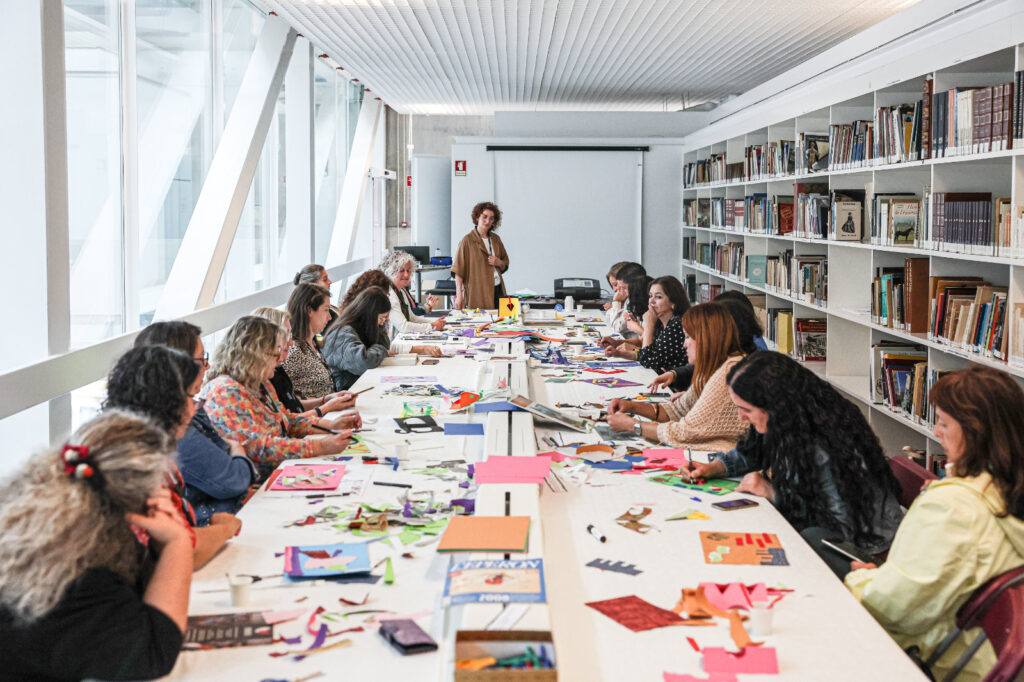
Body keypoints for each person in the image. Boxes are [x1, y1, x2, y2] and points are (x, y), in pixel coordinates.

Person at [845, 367, 1024, 681]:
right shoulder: (1006, 489)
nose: (936, 432)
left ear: (975, 431)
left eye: (942, 422)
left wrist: (858, 581)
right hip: (974, 655)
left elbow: (894, 606)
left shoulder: (954, 507)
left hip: (926, 659)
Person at [0, 411, 192, 681]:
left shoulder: (34, 523)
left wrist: (158, 548)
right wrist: (177, 543)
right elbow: (153, 653)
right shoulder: (80, 571)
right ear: (139, 497)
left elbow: (135, 607)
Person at [686, 351, 903, 574]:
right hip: (825, 531)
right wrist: (716, 467)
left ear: (772, 406)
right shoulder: (789, 418)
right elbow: (753, 450)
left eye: (746, 410)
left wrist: (774, 493)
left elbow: (838, 528)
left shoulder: (823, 446)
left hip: (859, 551)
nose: (741, 417)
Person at [104, 345, 243, 564]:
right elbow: (187, 548)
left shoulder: (139, 448)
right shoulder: (135, 466)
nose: (192, 409)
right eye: (189, 397)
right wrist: (224, 529)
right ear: (166, 401)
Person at [133, 321, 256, 526]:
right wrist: (237, 447)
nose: (207, 366)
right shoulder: (172, 427)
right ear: (179, 366)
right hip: (210, 530)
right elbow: (234, 480)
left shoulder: (186, 410)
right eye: (201, 359)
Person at [201, 316, 353, 479]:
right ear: (256, 355)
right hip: (256, 483)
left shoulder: (261, 383)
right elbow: (257, 448)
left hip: (280, 470)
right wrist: (319, 446)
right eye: (276, 353)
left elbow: (285, 421)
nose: (281, 358)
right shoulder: (225, 392)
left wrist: (330, 425)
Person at [606, 303, 747, 450]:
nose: (684, 345)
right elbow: (675, 411)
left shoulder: (728, 373)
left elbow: (686, 433)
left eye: (688, 337)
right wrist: (630, 406)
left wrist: (633, 426)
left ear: (705, 338)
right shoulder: (711, 369)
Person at [253, 306, 361, 431]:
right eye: (286, 334)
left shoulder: (276, 371)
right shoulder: (274, 370)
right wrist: (327, 408)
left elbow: (293, 407)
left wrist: (326, 400)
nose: (291, 342)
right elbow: (286, 425)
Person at [323, 286, 442, 390]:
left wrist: (422, 349)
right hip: (350, 389)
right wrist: (382, 348)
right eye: (381, 318)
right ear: (369, 315)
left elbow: (386, 346)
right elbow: (364, 361)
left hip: (363, 384)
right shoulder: (342, 333)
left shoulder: (362, 328)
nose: (382, 323)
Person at [649, 289, 767, 393]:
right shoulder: (733, 346)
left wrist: (648, 326)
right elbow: (703, 366)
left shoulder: (749, 356)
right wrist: (675, 374)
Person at [279, 284, 361, 404]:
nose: (329, 317)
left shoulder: (312, 345)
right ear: (309, 311)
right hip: (317, 418)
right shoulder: (293, 352)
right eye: (326, 309)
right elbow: (289, 401)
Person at [602, 275, 690, 373]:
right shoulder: (663, 323)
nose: (651, 301)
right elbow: (648, 353)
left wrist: (649, 325)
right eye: (650, 296)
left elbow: (648, 360)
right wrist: (618, 352)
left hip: (671, 386)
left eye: (658, 297)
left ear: (673, 302)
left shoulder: (676, 325)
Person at [452, 201, 509, 309]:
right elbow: (458, 271)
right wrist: (459, 296)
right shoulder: (467, 241)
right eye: (485, 217)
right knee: (481, 321)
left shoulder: (496, 239)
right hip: (478, 291)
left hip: (498, 289)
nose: (488, 221)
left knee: (501, 322)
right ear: (477, 217)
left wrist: (498, 262)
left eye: (491, 218)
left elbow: (505, 263)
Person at [379, 249, 446, 334]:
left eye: (409, 271)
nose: (407, 275)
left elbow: (412, 318)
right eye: (402, 270)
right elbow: (404, 327)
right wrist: (431, 326)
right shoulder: (390, 294)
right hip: (393, 343)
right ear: (391, 271)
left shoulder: (401, 291)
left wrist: (433, 323)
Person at [605, 262, 645, 336]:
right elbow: (607, 321)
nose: (614, 290)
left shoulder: (636, 300)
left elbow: (618, 328)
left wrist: (616, 303)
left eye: (615, 285)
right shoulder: (627, 299)